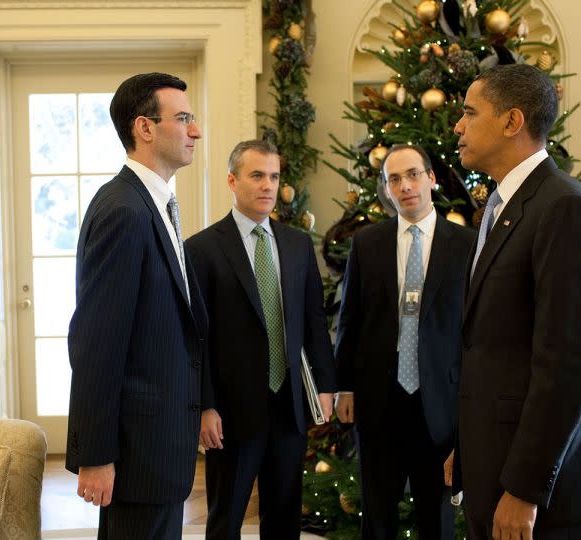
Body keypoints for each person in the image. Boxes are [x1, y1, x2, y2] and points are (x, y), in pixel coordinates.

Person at [451, 63, 581, 539]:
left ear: (512, 122)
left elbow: (568, 364)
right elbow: (493, 346)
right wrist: (467, 451)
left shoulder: (564, 208)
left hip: (544, 493)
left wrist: (526, 488)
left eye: (470, 112)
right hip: (497, 467)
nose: (458, 126)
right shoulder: (501, 205)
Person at [65, 72, 208, 540]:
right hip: (136, 451)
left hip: (161, 445)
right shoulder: (123, 210)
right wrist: (97, 455)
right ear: (144, 128)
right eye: (183, 118)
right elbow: (96, 343)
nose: (196, 130)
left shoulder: (155, 202)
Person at [186, 140, 337, 539]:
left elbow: (314, 322)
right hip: (231, 413)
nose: (267, 185)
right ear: (232, 181)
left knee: (284, 517)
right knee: (226, 519)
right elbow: (195, 339)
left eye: (273, 176)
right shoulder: (201, 249)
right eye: (256, 175)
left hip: (288, 406)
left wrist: (324, 385)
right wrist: (205, 406)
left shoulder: (297, 244)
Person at [333, 144, 475, 539]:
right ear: (386, 188)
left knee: (437, 514)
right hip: (380, 394)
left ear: (431, 178)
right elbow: (351, 319)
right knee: (377, 512)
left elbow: (474, 329)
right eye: (394, 178)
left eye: (413, 174)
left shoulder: (466, 244)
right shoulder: (367, 243)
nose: (405, 185)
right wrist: (344, 384)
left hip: (440, 398)